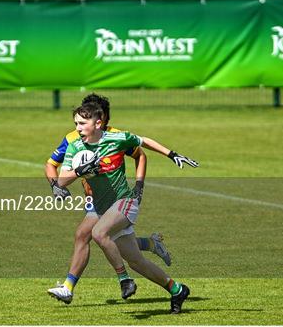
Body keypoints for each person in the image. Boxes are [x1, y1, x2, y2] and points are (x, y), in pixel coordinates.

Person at [57, 103, 198, 314]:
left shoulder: (117, 138)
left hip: (125, 202)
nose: (77, 127)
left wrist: (172, 154)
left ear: (98, 123)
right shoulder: (76, 147)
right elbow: (61, 180)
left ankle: (124, 280)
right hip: (104, 208)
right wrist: (79, 171)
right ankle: (177, 289)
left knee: (98, 232)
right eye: (76, 123)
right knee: (137, 261)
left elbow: (144, 142)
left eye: (82, 123)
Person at [46, 94, 171, 304]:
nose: (80, 124)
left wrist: (139, 184)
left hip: (115, 198)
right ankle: (151, 245)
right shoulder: (73, 138)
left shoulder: (115, 136)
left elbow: (141, 154)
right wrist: (54, 185)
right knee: (115, 242)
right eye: (79, 120)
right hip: (93, 197)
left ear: (100, 118)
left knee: (89, 234)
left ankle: (70, 287)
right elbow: (51, 164)